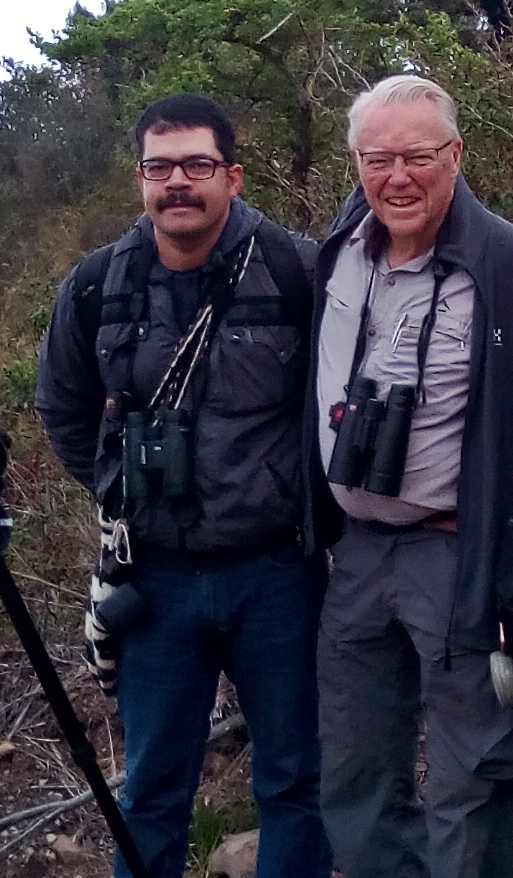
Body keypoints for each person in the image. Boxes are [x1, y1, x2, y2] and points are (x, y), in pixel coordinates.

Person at [36, 94, 332, 878]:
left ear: (232, 176)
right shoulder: (97, 286)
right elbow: (61, 406)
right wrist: (117, 489)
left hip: (277, 571)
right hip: (155, 578)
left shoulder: (297, 270)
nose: (177, 183)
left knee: (296, 782)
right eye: (159, 167)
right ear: (139, 179)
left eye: (197, 165)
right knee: (152, 790)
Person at [306, 74, 513, 878]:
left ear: (456, 155)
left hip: (456, 551)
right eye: (377, 159)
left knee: (469, 771)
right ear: (355, 163)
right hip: (356, 551)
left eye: (417, 156)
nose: (397, 177)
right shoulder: (340, 251)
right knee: (354, 767)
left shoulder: (507, 260)